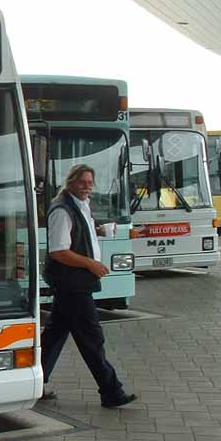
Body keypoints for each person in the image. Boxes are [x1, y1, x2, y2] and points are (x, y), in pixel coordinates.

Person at [40, 163, 137, 408]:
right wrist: (91, 264)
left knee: (54, 335)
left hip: (73, 283)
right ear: (71, 182)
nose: (87, 187)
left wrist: (97, 230)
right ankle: (111, 391)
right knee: (91, 338)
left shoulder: (78, 205)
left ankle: (36, 382)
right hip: (74, 284)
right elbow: (59, 251)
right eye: (83, 182)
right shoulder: (62, 210)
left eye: (90, 183)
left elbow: (75, 233)